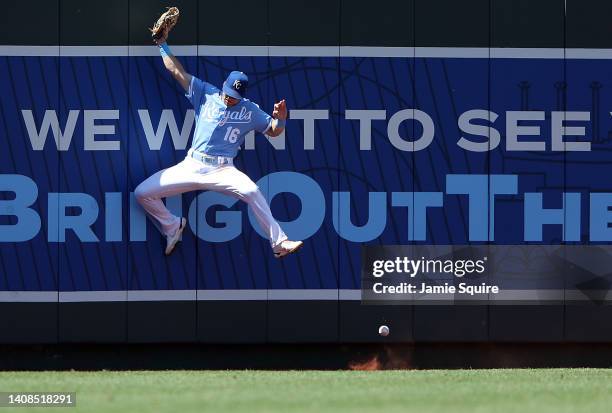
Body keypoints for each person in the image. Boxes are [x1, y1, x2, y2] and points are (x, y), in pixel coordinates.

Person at [134, 25, 303, 258]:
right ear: (224, 86)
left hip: (223, 169)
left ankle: (279, 243)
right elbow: (176, 71)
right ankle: (172, 226)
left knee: (253, 191)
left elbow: (273, 131)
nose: (230, 99)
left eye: (235, 98)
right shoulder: (207, 93)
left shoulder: (250, 109)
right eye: (228, 95)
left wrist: (281, 119)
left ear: (241, 96)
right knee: (142, 193)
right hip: (192, 165)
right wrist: (162, 44)